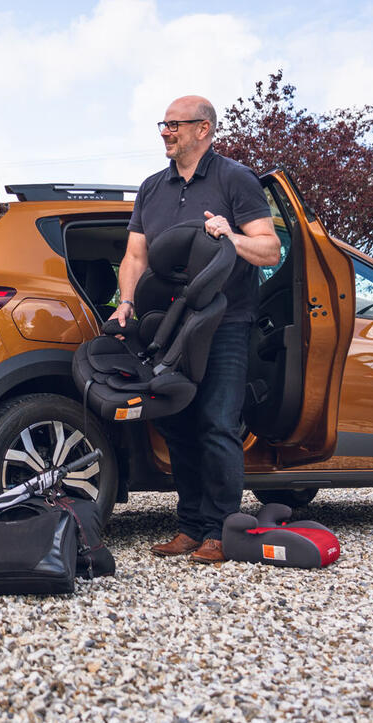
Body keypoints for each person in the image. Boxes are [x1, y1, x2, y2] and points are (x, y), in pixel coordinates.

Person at [110, 95, 280, 564]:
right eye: (162, 125)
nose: (165, 132)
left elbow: (269, 250)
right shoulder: (152, 187)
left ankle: (220, 531)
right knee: (178, 423)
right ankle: (189, 527)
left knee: (217, 422)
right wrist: (126, 303)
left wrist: (231, 236)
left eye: (174, 125)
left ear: (203, 129)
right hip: (169, 326)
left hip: (226, 322)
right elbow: (135, 256)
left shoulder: (235, 179)